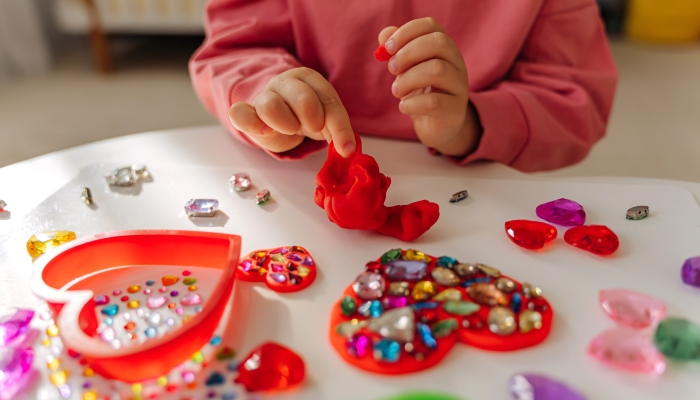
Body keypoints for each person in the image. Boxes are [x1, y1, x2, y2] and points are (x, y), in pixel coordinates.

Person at [189, 0, 617, 172]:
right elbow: (233, 50)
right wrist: (272, 95)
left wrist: (467, 123)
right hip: (300, 180)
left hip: (478, 181)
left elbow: (575, 102)